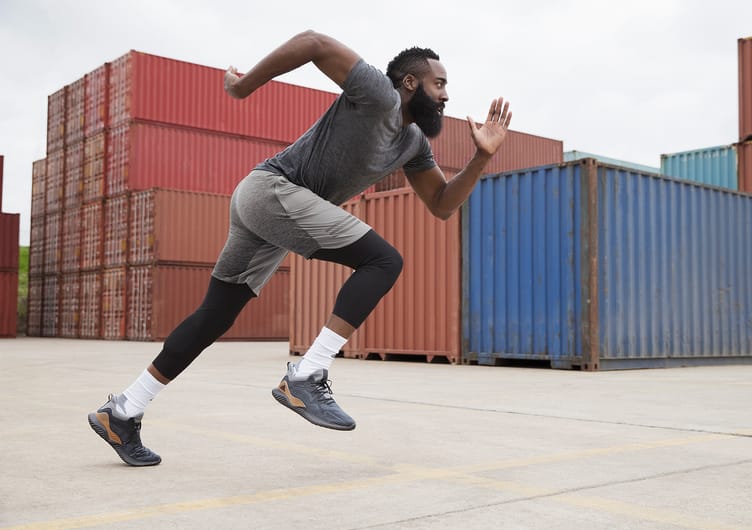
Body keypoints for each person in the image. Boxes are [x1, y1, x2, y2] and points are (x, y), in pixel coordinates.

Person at [88, 30, 512, 466]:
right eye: (438, 84)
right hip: (274, 190)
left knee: (214, 317)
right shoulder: (379, 95)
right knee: (383, 260)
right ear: (409, 83)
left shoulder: (412, 144)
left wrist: (481, 158)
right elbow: (313, 43)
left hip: (269, 206)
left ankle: (122, 411)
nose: (445, 95)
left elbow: (441, 205)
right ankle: (308, 374)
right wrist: (243, 84)